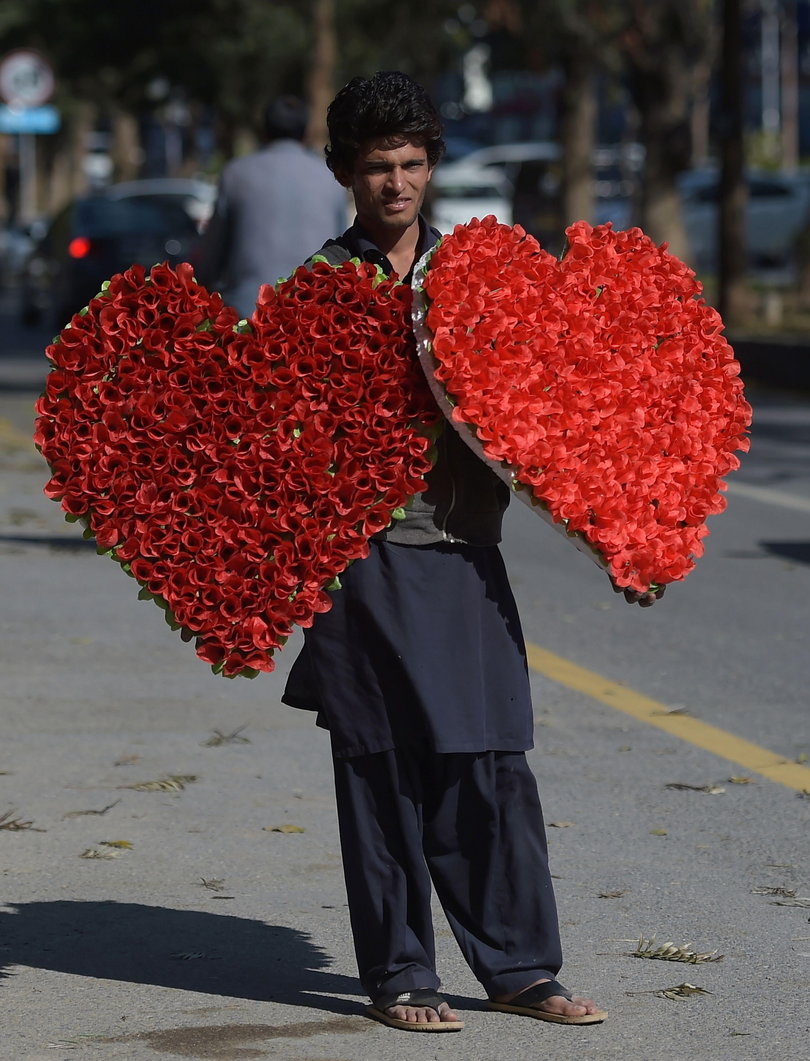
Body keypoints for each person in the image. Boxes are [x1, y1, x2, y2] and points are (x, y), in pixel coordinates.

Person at [282, 70, 663, 1033]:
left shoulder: (479, 283)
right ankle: (401, 972)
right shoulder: (320, 291)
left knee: (493, 766)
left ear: (432, 167)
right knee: (383, 770)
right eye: (377, 168)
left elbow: (563, 420)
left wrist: (627, 530)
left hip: (465, 555)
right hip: (365, 560)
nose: (397, 185)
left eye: (412, 165)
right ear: (344, 173)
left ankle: (521, 966)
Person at [195, 95, 348, 316]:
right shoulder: (330, 178)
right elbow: (344, 253)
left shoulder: (236, 174)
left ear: (264, 132)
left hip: (248, 315)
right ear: (305, 133)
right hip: (314, 319)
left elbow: (212, 255)